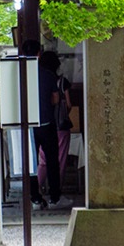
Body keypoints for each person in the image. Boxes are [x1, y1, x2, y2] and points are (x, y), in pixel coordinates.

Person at [36, 51, 73, 200]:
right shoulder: (62, 82)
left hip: (43, 123)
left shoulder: (38, 78)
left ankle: (38, 188)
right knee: (60, 160)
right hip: (61, 126)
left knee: (43, 160)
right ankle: (56, 191)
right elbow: (69, 104)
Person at [33, 49, 65, 209]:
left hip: (28, 126)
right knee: (52, 161)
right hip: (47, 123)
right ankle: (54, 198)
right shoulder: (47, 75)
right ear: (38, 53)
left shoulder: (20, 74)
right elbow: (55, 99)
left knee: (31, 163)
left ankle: (35, 198)